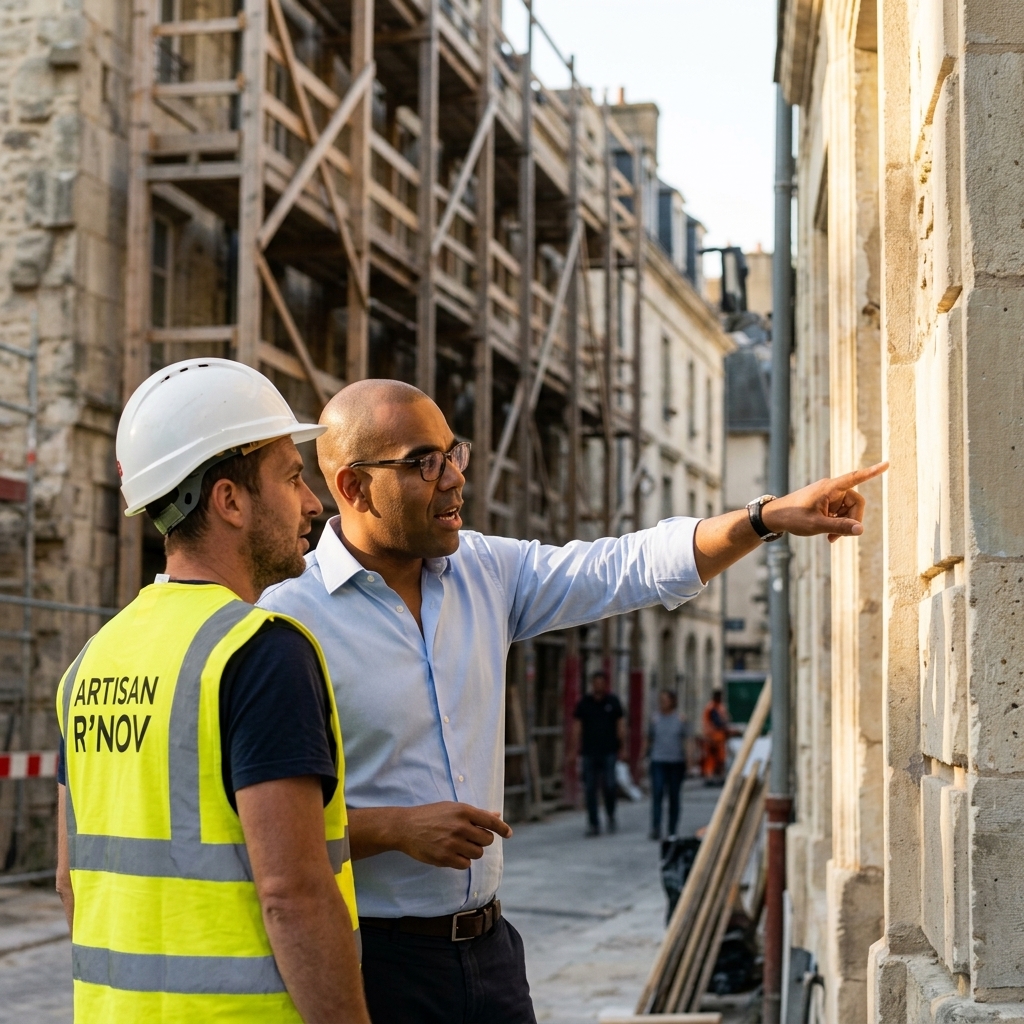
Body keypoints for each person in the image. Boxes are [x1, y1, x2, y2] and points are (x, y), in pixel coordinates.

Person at [258, 377, 886, 1024]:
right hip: (371, 966)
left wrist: (762, 519)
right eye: (424, 462)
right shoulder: (282, 618)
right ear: (353, 487)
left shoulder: (485, 572)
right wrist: (394, 829)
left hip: (490, 956)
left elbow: (620, 567)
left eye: (454, 453)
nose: (453, 480)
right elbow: (256, 834)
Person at [54, 359, 369, 1024]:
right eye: (291, 477)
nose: (313, 502)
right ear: (229, 500)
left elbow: (69, 881)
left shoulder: (92, 660)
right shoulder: (261, 652)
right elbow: (293, 896)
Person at [573, 671, 625, 836]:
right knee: (590, 788)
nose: (598, 685)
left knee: (609, 785)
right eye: (595, 682)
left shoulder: (613, 702)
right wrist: (573, 750)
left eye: (601, 682)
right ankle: (593, 823)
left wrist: (622, 747)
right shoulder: (584, 703)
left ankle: (610, 814)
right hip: (589, 751)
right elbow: (577, 727)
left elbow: (621, 726)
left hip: (609, 750)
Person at [647, 689, 688, 840]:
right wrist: (644, 757)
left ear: (672, 701)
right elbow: (649, 738)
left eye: (666, 699)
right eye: (661, 700)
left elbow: (687, 740)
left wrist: (688, 761)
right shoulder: (655, 719)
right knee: (657, 794)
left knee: (674, 796)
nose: (662, 703)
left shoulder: (680, 719)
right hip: (658, 760)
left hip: (675, 762)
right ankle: (656, 826)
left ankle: (672, 829)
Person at [702, 688, 739, 783]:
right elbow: (718, 723)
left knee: (717, 758)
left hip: (717, 737)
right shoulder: (713, 708)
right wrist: (728, 729)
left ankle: (715, 776)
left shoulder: (717, 707)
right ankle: (710, 776)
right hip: (714, 737)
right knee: (713, 758)